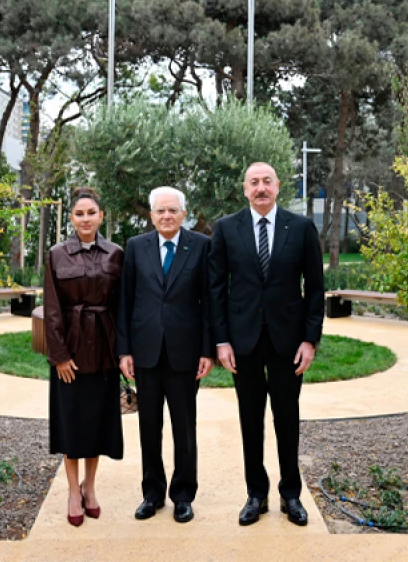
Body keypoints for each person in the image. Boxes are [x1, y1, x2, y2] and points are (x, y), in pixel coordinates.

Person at [209, 162, 325, 527]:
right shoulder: (226, 228)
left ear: (278, 186)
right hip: (242, 340)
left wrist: (310, 339)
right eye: (254, 182)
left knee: (287, 418)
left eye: (267, 182)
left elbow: (315, 288)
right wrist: (221, 340)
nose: (261, 188)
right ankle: (255, 494)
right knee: (250, 418)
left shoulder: (301, 227)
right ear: (244, 189)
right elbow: (216, 288)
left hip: (288, 341)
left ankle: (291, 494)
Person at [116, 186, 213, 524]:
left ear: (184, 214)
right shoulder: (136, 247)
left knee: (184, 429)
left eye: (173, 210)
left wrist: (207, 350)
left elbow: (209, 301)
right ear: (152, 215)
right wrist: (124, 351)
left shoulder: (200, 246)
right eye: (161, 211)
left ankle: (183, 496)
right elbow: (125, 301)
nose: (167, 216)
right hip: (145, 352)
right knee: (149, 428)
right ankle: (152, 494)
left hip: (186, 354)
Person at [43, 188, 125, 528]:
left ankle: (89, 488)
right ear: (71, 218)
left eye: (91, 212)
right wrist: (60, 356)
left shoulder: (116, 254)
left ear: (101, 216)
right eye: (79, 213)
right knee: (72, 423)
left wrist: (123, 352)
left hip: (104, 351)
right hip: (71, 353)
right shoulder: (56, 254)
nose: (86, 218)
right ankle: (72, 491)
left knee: (97, 423)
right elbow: (51, 308)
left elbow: (121, 306)